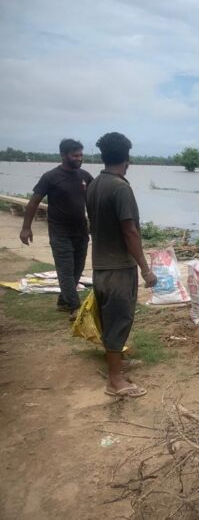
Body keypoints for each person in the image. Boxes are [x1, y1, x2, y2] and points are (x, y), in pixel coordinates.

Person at [86, 132, 157, 398]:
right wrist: (145, 268)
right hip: (118, 268)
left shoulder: (94, 184)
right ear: (127, 158)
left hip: (100, 265)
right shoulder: (120, 188)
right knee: (119, 319)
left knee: (110, 319)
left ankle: (116, 364)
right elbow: (130, 232)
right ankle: (115, 380)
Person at [19, 139, 93, 320]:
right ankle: (75, 307)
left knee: (77, 269)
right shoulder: (50, 177)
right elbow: (34, 201)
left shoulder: (85, 176)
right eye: (75, 155)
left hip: (81, 231)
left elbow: (94, 199)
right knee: (66, 270)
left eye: (81, 155)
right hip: (60, 232)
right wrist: (26, 227)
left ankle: (63, 300)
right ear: (63, 155)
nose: (79, 158)